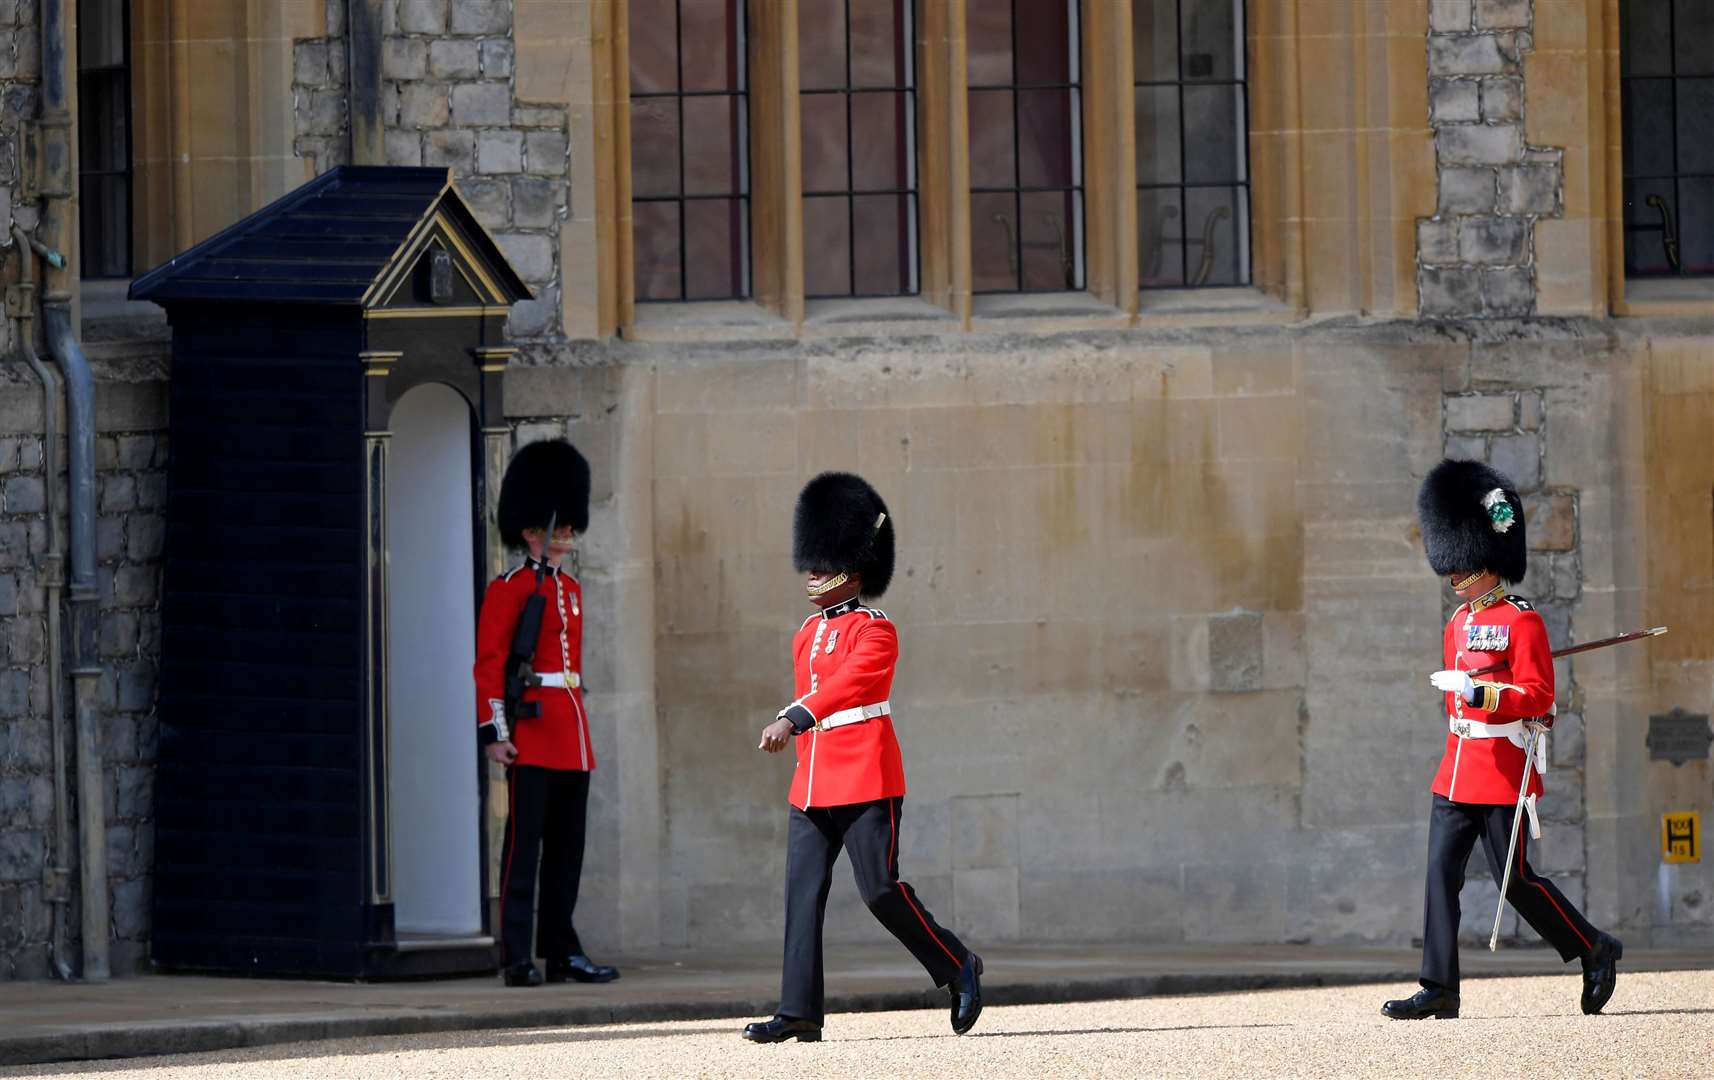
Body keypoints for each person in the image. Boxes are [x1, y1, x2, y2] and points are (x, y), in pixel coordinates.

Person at [743, 472, 983, 1043]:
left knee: (879, 890)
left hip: (866, 776)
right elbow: (816, 692)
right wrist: (799, 722)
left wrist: (794, 716)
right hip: (811, 784)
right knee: (801, 895)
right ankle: (799, 1009)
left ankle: (957, 964)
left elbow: (846, 688)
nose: (812, 574)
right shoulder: (806, 633)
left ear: (852, 569)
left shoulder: (876, 631)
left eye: (823, 564)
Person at [1382, 459, 1620, 1020]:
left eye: (1461, 563)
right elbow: (1452, 704)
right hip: (1456, 770)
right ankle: (1439, 986)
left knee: (1516, 883)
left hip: (1502, 770)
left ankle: (1594, 947)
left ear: (1484, 559)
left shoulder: (1523, 623)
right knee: (1440, 875)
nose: (1454, 574)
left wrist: (1483, 693)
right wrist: (1463, 695)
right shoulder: (1457, 624)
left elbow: (1538, 696)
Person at [474, 438, 619, 988]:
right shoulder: (511, 589)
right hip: (532, 732)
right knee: (523, 850)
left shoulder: (572, 590)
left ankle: (560, 949)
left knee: (566, 852)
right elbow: (490, 665)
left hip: (571, 731)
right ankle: (516, 954)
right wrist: (495, 731)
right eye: (555, 525)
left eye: (567, 525)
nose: (566, 533)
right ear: (531, 529)